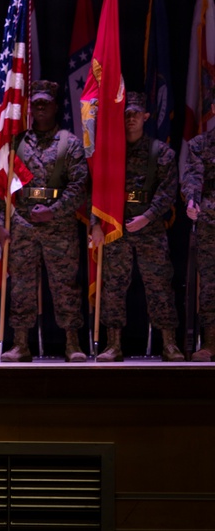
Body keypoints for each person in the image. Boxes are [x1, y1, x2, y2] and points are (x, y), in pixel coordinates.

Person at [0, 81, 88, 362]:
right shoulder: (16, 142)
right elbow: (3, 187)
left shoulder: (69, 143)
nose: (41, 107)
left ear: (56, 105)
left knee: (65, 286)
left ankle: (72, 343)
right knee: (21, 286)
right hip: (22, 224)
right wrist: (0, 222)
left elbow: (79, 186)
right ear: (29, 107)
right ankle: (20, 344)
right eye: (36, 103)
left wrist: (54, 211)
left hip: (59, 227)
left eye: (46, 102)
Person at [90, 91, 185, 362]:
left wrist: (148, 216)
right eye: (125, 114)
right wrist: (96, 223)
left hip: (150, 230)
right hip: (115, 230)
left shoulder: (160, 151)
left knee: (159, 285)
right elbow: (96, 191)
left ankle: (169, 343)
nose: (130, 118)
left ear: (145, 116)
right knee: (114, 287)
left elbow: (167, 191)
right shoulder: (110, 153)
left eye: (134, 114)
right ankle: (114, 345)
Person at [180, 102, 215, 361]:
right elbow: (193, 176)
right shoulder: (200, 144)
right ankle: (211, 342)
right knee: (211, 285)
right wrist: (191, 199)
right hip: (210, 222)